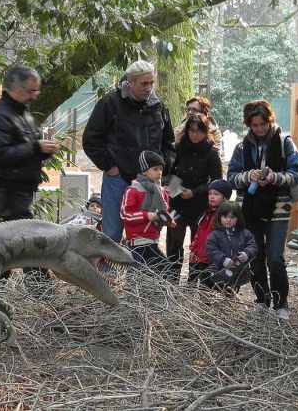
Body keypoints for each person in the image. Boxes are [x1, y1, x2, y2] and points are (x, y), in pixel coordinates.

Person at [82, 60, 175, 243]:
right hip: (118, 178)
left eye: (151, 83)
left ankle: (140, 273)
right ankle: (107, 273)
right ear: (130, 82)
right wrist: (109, 166)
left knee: (146, 237)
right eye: (143, 84)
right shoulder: (110, 103)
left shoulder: (158, 106)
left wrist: (163, 168)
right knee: (112, 234)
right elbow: (91, 139)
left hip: (149, 184)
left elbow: (169, 142)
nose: (149, 88)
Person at [227, 100, 298, 320]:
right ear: (249, 125)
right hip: (250, 209)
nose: (259, 129)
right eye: (255, 125)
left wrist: (275, 178)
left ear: (270, 121)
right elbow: (230, 177)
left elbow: (296, 172)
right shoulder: (242, 147)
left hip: (278, 208)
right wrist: (247, 176)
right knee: (254, 255)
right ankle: (262, 299)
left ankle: (282, 303)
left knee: (275, 257)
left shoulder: (284, 142)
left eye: (263, 124)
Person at [0, 64, 59, 282]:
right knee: (26, 243)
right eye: (30, 91)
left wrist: (43, 151)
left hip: (21, 191)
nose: (34, 96)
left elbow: (26, 149)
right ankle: (42, 292)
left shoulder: (22, 113)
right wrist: (36, 148)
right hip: (6, 192)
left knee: (10, 248)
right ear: (14, 87)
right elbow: (0, 155)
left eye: (37, 91)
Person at [165, 113, 222, 280]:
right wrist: (178, 190)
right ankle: (172, 277)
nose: (195, 134)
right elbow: (166, 173)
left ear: (205, 132)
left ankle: (194, 279)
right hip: (177, 203)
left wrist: (195, 192)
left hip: (200, 206)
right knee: (175, 243)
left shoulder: (211, 153)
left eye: (198, 131)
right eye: (191, 130)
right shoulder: (178, 148)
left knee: (198, 245)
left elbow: (217, 181)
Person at [121, 150, 176, 272]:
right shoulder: (133, 189)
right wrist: (147, 215)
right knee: (143, 271)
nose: (159, 173)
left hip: (153, 239)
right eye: (155, 169)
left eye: (161, 169)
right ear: (144, 170)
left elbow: (163, 210)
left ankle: (150, 291)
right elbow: (125, 215)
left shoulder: (161, 191)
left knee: (156, 270)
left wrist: (167, 220)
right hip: (137, 241)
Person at [206, 201, 258, 292]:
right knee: (217, 294)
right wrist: (223, 260)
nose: (228, 220)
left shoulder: (244, 233)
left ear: (238, 218)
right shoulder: (214, 235)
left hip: (237, 271)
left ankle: (230, 305)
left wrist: (246, 254)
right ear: (219, 217)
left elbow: (253, 246)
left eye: (232, 217)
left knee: (231, 294)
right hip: (218, 270)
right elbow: (211, 250)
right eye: (225, 217)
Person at [188, 179, 232, 285]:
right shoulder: (206, 214)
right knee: (204, 288)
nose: (212, 196)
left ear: (225, 198)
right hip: (203, 259)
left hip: (218, 261)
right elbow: (199, 234)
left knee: (219, 289)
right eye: (210, 193)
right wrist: (193, 249)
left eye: (216, 194)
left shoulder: (226, 217)